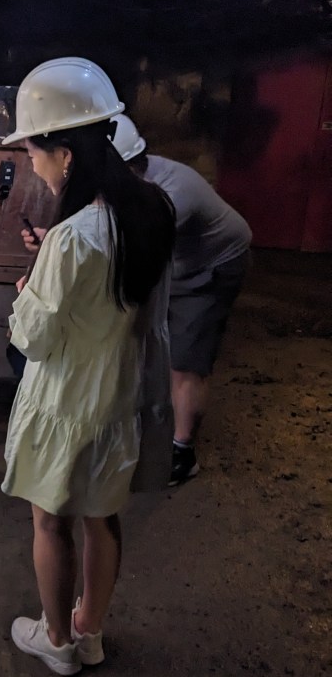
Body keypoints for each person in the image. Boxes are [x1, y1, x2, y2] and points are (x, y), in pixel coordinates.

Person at [2, 57, 176, 676]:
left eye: (34, 151)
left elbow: (35, 340)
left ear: (66, 152)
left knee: (50, 520)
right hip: (116, 401)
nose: (31, 162)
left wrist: (26, 291)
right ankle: (90, 631)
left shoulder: (73, 235)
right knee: (103, 519)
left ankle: (56, 641)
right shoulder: (148, 212)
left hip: (65, 402)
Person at [110, 114, 252, 484]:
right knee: (153, 342)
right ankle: (153, 427)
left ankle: (183, 453)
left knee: (186, 361)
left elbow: (129, 248)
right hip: (176, 264)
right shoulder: (133, 181)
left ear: (126, 165)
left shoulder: (173, 194)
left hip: (213, 265)